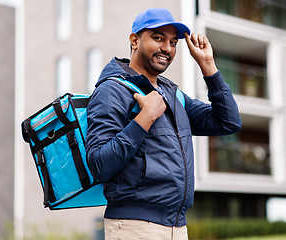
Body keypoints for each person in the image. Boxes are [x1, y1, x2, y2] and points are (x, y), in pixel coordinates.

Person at [86, 7, 242, 240]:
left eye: (173, 42)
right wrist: (144, 118)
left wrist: (208, 65)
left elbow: (228, 122)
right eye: (158, 38)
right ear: (135, 40)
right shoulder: (112, 90)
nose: (167, 48)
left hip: (177, 227)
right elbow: (99, 165)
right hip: (133, 227)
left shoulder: (172, 94)